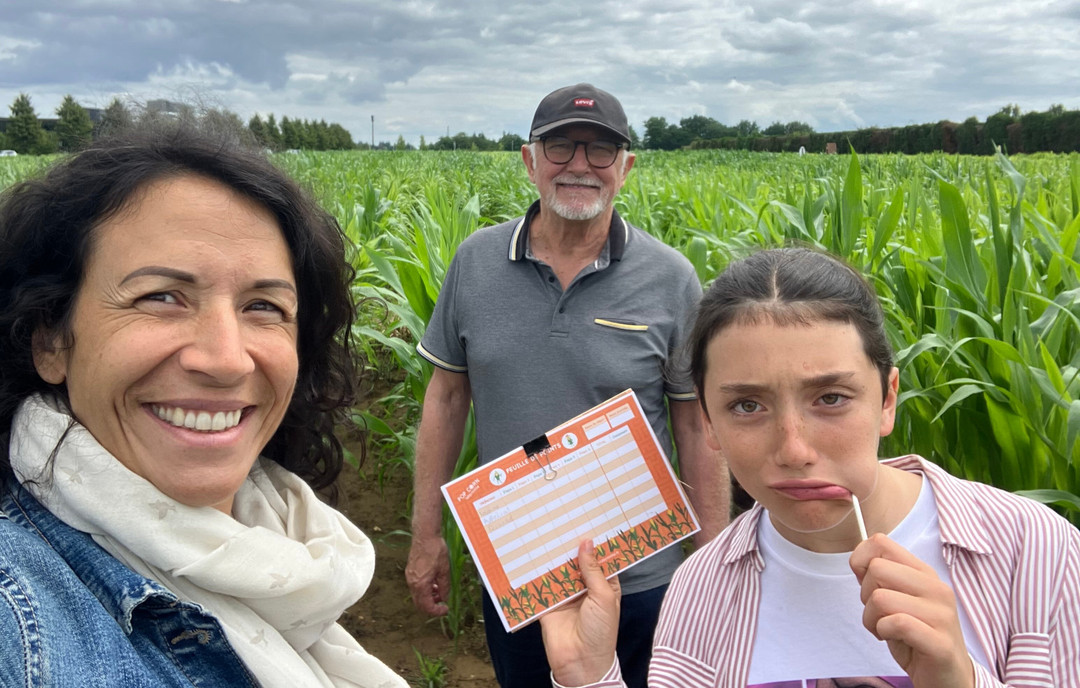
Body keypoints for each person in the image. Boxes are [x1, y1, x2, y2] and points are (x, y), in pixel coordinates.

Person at [540, 247, 1080, 688]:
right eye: (747, 406)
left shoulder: (1034, 551)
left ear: (888, 399)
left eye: (831, 398)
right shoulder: (699, 590)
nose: (794, 450)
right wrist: (587, 677)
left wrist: (960, 681)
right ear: (708, 421)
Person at [0, 126, 408, 688]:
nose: (227, 360)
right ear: (50, 339)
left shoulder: (291, 548)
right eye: (161, 297)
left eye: (263, 306)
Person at [406, 83, 730, 688]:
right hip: (521, 571)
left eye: (600, 150)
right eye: (560, 147)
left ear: (625, 169)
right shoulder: (475, 263)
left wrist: (713, 561)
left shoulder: (671, 278)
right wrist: (426, 534)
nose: (580, 164)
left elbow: (695, 426)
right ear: (529, 161)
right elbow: (446, 400)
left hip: (640, 574)